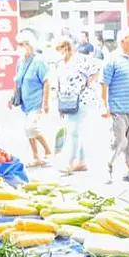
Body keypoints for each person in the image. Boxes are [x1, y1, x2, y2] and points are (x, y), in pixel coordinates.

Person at [102, 29, 129, 183]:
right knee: (120, 141)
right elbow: (104, 85)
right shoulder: (112, 60)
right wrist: (104, 106)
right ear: (123, 41)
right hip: (118, 109)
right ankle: (108, 168)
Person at [54, 38, 99, 174]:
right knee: (75, 131)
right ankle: (82, 161)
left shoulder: (81, 59)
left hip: (82, 100)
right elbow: (60, 84)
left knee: (74, 132)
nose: (59, 53)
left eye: (60, 50)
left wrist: (90, 81)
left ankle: (70, 162)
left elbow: (98, 68)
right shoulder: (61, 64)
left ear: (66, 48)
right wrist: (59, 105)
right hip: (67, 102)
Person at [9, 31, 52, 166]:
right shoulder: (21, 62)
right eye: (18, 44)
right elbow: (17, 81)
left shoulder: (39, 61)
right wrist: (11, 98)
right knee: (28, 130)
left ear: (30, 45)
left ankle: (48, 150)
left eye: (22, 44)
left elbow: (46, 81)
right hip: (26, 102)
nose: (19, 47)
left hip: (36, 101)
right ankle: (36, 156)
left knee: (31, 128)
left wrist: (45, 102)